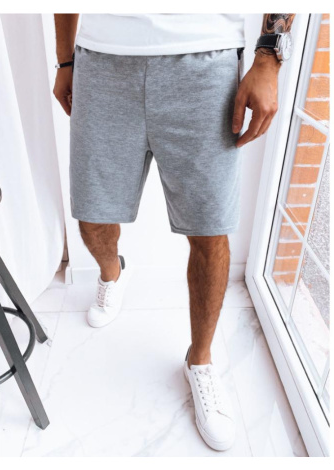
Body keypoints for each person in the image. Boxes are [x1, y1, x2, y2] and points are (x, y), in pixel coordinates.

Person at [53, 13, 295, 451]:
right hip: (102, 60)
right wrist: (65, 60)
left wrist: (268, 57)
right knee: (92, 215)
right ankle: (112, 273)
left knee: (209, 230)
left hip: (204, 61)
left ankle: (200, 361)